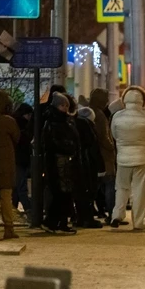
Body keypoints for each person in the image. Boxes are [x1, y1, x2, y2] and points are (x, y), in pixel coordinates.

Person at [110, 86, 145, 231]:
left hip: (122, 159)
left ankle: (117, 215)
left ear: (124, 99)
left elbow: (114, 135)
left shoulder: (117, 116)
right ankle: (138, 223)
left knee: (121, 188)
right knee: (139, 191)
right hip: (142, 159)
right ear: (142, 100)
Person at [43, 93, 79, 234]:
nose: (64, 108)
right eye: (62, 105)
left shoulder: (63, 121)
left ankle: (56, 222)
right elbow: (53, 143)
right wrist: (69, 147)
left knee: (63, 194)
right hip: (59, 162)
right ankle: (57, 223)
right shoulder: (54, 122)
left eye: (66, 105)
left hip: (63, 162)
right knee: (62, 194)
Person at [0, 91, 21, 240]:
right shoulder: (8, 121)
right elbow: (17, 137)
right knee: (6, 197)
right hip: (5, 164)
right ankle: (8, 228)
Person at [74, 107, 105, 228]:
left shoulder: (74, 124)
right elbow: (94, 149)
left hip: (78, 163)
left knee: (80, 193)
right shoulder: (88, 127)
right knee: (89, 191)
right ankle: (87, 218)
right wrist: (101, 167)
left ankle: (81, 218)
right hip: (88, 165)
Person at [89, 89, 117, 221]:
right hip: (105, 157)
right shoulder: (100, 115)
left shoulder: (89, 111)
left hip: (92, 156)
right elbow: (104, 137)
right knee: (109, 185)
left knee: (94, 187)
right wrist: (112, 147)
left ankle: (95, 211)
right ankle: (112, 214)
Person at [11, 103, 34, 215]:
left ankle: (13, 210)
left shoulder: (14, 122)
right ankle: (28, 210)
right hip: (21, 159)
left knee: (17, 186)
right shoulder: (23, 125)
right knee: (21, 186)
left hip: (16, 158)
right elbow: (24, 141)